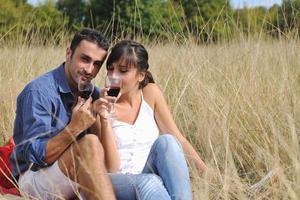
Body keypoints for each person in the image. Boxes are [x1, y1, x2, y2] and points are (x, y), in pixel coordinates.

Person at [10, 28, 116, 200]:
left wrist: (103, 118)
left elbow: (106, 160)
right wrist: (75, 127)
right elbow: (36, 158)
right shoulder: (38, 92)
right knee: (89, 143)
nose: (90, 69)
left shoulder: (93, 94)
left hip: (72, 172)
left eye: (97, 64)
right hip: (33, 178)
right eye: (85, 59)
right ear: (69, 53)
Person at [94, 40, 207, 200]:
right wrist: (105, 118)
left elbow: (177, 138)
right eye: (110, 69)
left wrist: (208, 174)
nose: (113, 76)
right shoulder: (100, 105)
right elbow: (111, 167)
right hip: (118, 182)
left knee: (167, 141)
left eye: (123, 71)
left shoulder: (151, 93)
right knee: (150, 182)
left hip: (149, 173)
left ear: (141, 75)